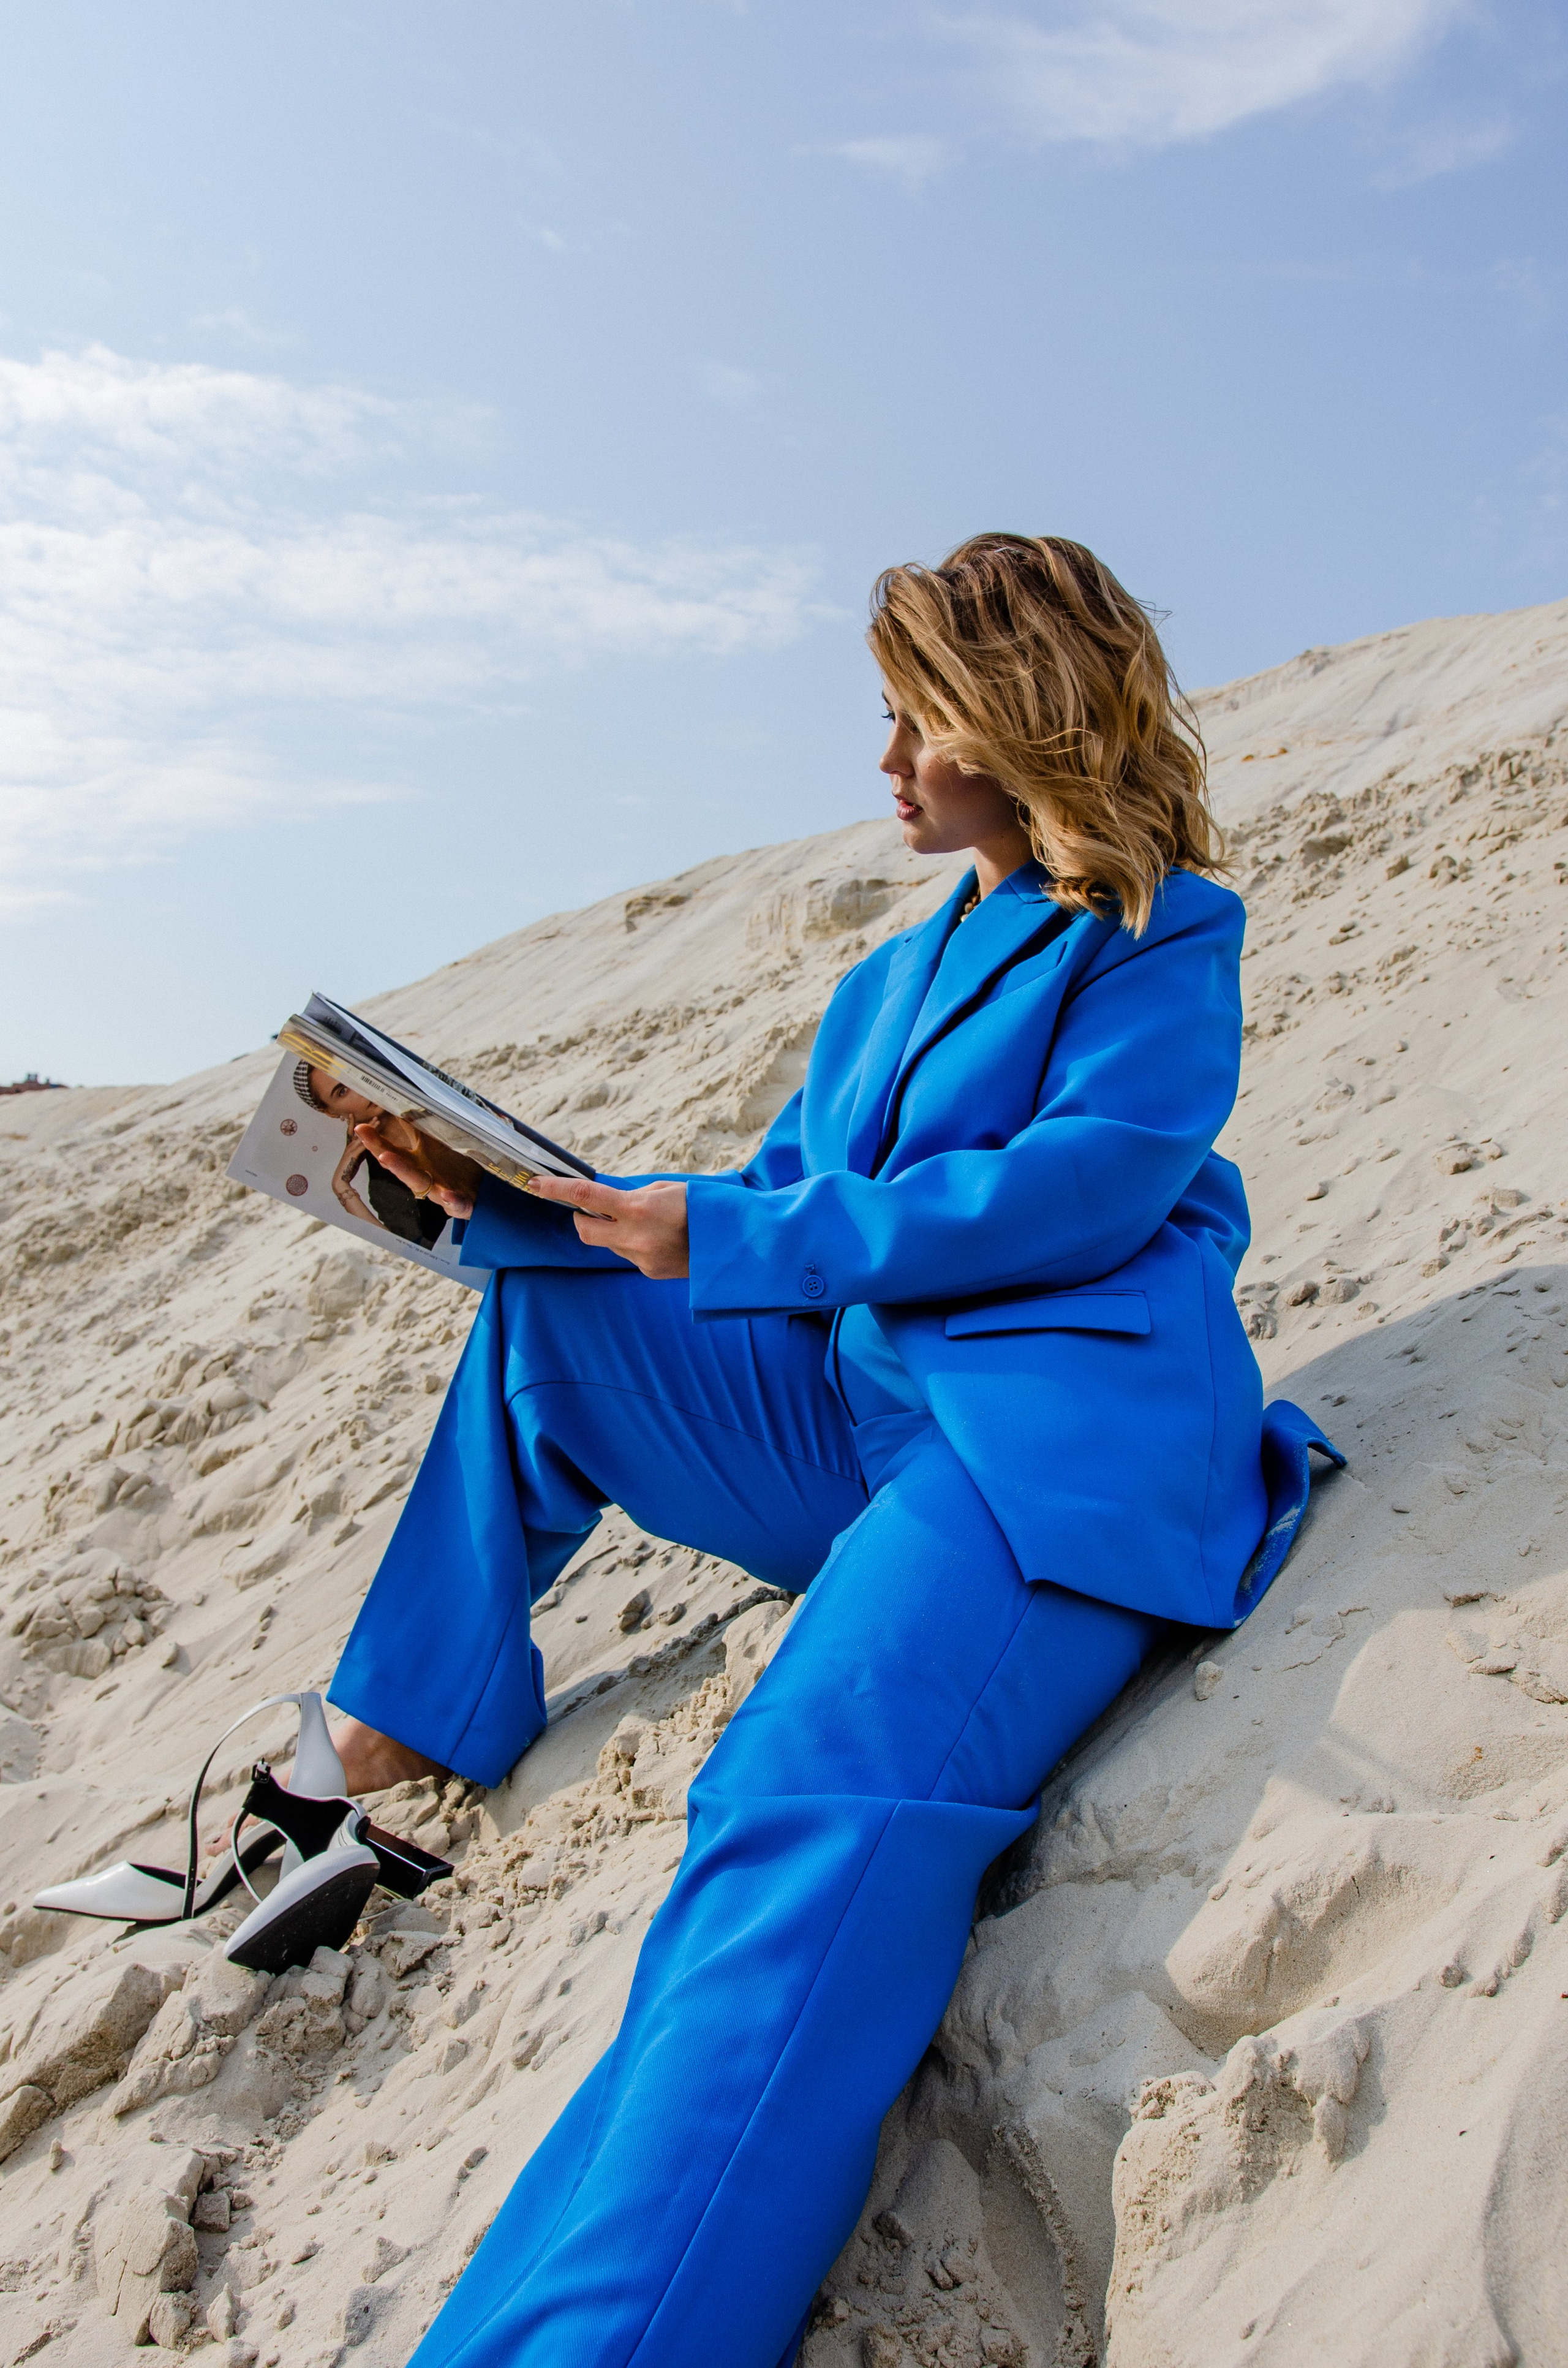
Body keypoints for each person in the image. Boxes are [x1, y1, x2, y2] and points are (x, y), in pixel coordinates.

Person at [324, 534, 1340, 2366]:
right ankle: (410, 1710)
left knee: (787, 1811)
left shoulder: (1160, 932)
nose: (883, 761)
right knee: (547, 1316)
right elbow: (767, 1212)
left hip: (1041, 1452)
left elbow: (1081, 1190)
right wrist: (484, 1196)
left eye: (914, 718)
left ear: (1020, 718)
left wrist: (734, 1227)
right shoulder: (886, 979)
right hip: (859, 1418)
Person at [293, 1062, 454, 1252]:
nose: (359, 1088)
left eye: (353, 1073)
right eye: (343, 1091)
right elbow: (419, 1253)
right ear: (331, 1112)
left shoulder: (432, 1104)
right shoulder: (384, 1188)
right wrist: (340, 1186)